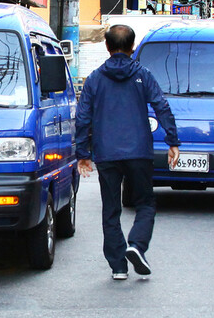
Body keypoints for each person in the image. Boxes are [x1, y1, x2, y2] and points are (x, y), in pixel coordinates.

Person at [75, 24, 181, 280]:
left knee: (111, 209)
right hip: (139, 152)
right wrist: (172, 141)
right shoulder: (143, 74)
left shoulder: (95, 78)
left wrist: (83, 153)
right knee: (145, 203)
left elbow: (82, 117)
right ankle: (136, 245)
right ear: (133, 47)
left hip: (107, 153)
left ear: (107, 47)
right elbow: (161, 107)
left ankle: (118, 267)